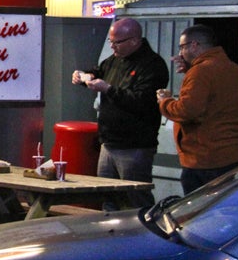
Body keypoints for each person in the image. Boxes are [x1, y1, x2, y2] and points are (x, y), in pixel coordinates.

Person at [72, 17, 168, 208]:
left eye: (117, 42)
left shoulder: (152, 65)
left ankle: (144, 226)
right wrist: (85, 75)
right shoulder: (114, 60)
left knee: (135, 198)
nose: (112, 46)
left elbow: (142, 101)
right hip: (108, 142)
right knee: (107, 196)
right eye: (111, 41)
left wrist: (108, 89)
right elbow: (99, 71)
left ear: (134, 41)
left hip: (135, 146)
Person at [157, 24, 238, 194]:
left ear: (194, 45)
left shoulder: (200, 72)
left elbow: (187, 111)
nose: (180, 53)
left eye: (182, 47)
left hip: (204, 159)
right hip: (234, 155)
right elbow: (214, 101)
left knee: (199, 209)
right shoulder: (233, 68)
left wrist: (165, 101)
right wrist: (190, 71)